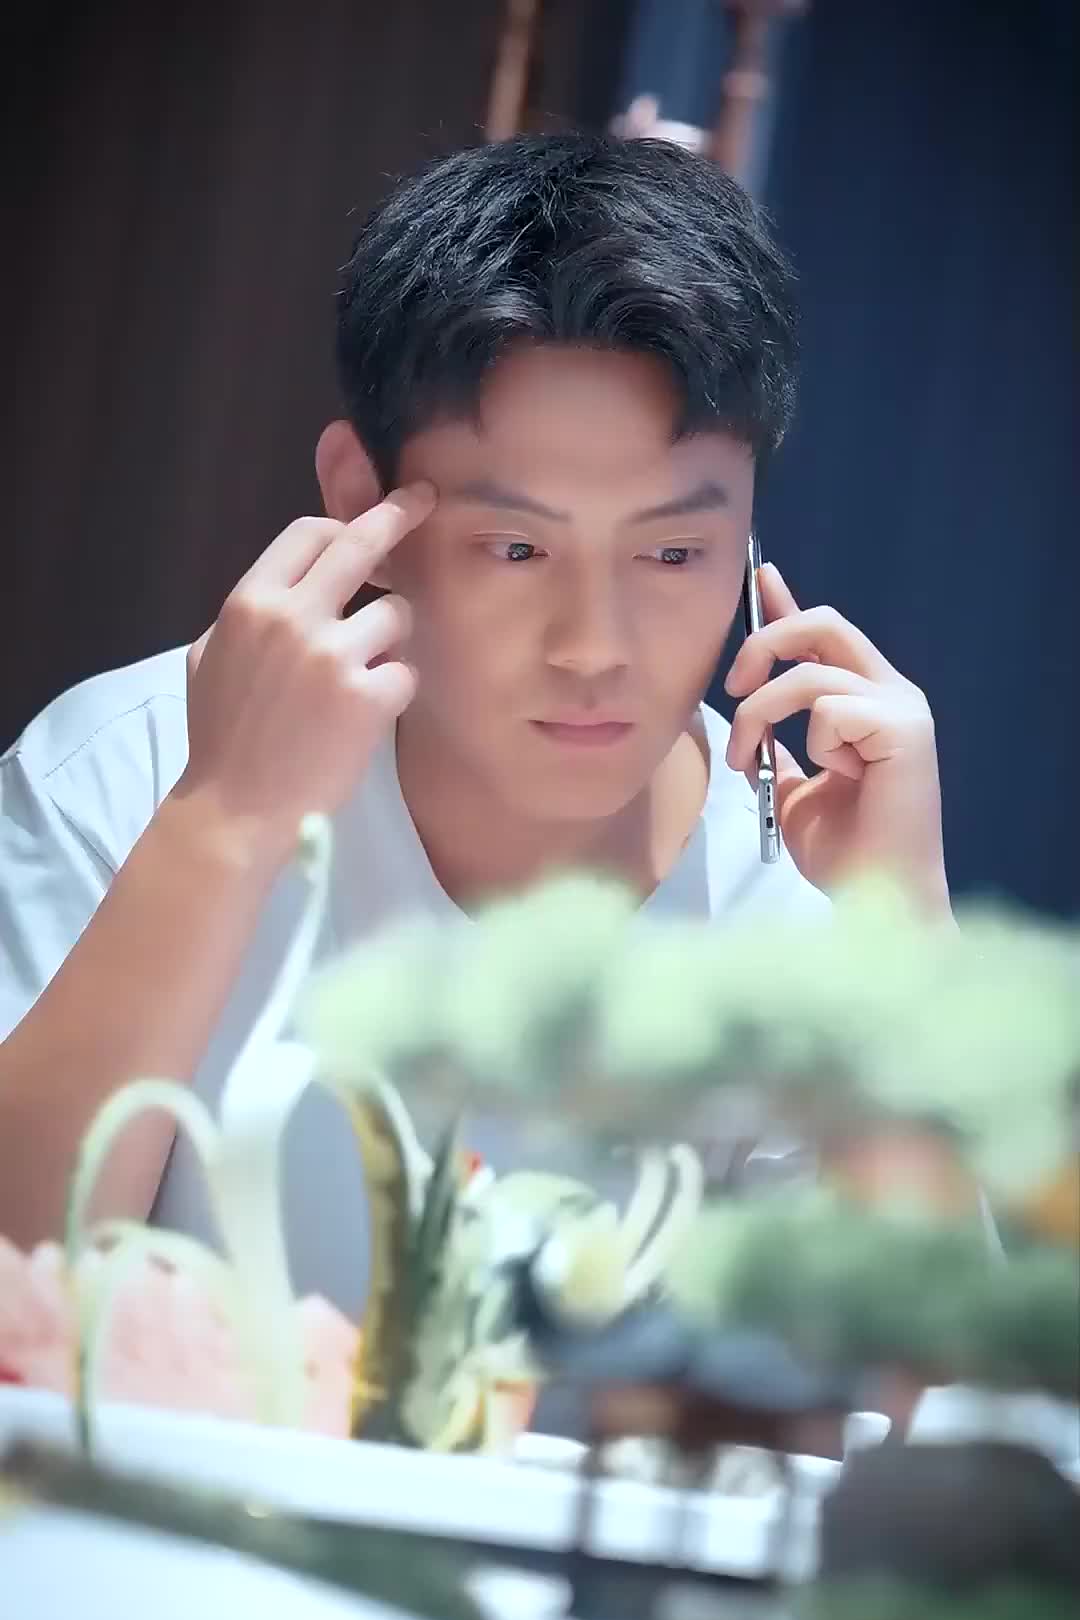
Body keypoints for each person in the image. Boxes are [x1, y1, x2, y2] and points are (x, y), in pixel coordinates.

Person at [0, 133, 947, 1304]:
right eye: (515, 547)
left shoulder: (806, 887)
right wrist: (223, 824)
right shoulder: (137, 767)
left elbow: (913, 1382)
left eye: (672, 553)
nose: (594, 646)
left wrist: (905, 950)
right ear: (362, 501)